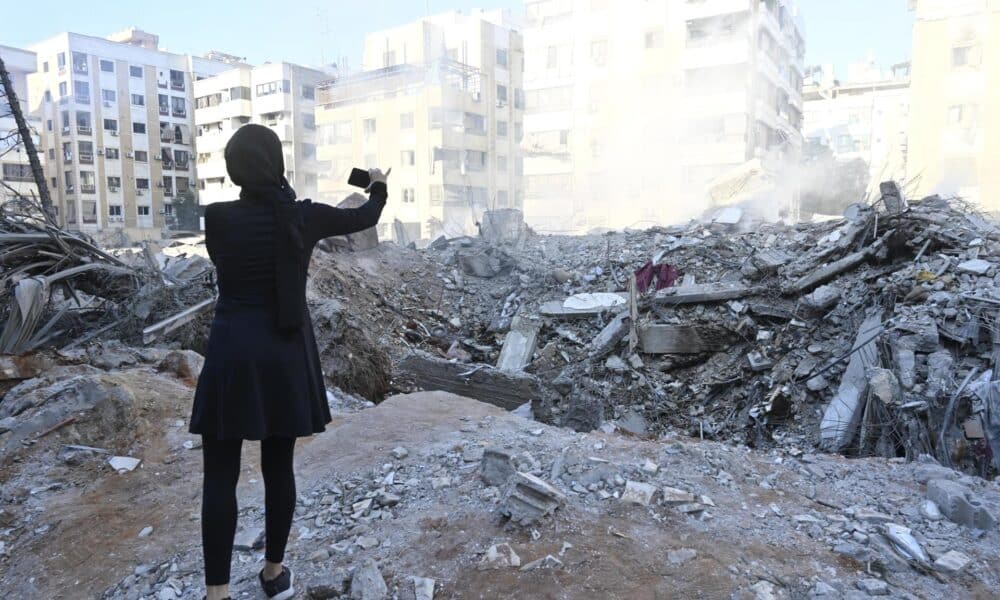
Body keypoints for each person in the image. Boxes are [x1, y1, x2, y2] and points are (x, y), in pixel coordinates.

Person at [190, 124, 388, 600]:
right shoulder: (303, 217)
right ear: (276, 164)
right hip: (283, 354)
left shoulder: (215, 219)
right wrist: (377, 183)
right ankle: (273, 573)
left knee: (220, 475)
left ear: (235, 168)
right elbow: (367, 216)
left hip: (231, 351)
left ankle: (216, 593)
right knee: (279, 469)